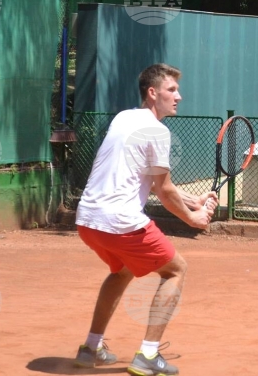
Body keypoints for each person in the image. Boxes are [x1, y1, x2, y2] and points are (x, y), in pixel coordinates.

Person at [73, 63, 218, 375]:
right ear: (153, 93)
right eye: (171, 90)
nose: (179, 96)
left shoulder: (124, 118)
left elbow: (150, 181)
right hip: (120, 222)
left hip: (87, 219)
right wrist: (193, 219)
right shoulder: (158, 130)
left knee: (122, 271)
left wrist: (193, 200)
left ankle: (90, 348)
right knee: (176, 270)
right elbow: (163, 191)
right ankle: (148, 354)